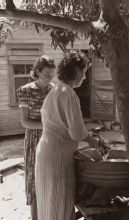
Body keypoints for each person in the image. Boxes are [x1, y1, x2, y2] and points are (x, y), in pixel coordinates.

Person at [35, 51, 107, 220]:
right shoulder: (68, 93)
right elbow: (76, 132)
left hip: (46, 153)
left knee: (48, 206)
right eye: (84, 71)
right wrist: (95, 142)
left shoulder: (55, 91)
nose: (85, 76)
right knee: (60, 206)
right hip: (57, 158)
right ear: (75, 70)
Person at [17, 55, 56, 220]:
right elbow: (25, 121)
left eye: (52, 74)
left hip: (53, 139)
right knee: (34, 179)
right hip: (34, 140)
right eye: (47, 74)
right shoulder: (25, 91)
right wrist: (46, 126)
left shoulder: (54, 90)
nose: (50, 78)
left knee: (52, 178)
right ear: (38, 71)